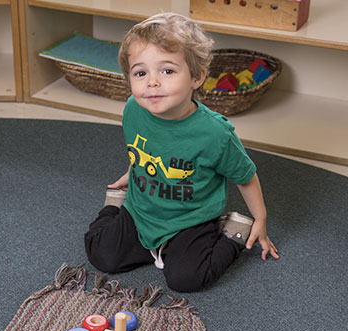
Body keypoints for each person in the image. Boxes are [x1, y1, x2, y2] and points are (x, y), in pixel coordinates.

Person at [84, 12, 279, 292]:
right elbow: (140, 146)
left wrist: (260, 218)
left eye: (167, 71)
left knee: (187, 279)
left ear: (197, 77)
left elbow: (245, 176)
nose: (152, 82)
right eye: (140, 73)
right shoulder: (133, 108)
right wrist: (133, 170)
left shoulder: (215, 134)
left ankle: (232, 233)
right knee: (100, 255)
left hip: (192, 220)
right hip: (141, 210)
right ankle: (115, 206)